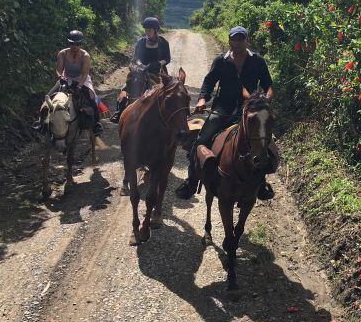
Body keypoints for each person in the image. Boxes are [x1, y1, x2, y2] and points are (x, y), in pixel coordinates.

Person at [175, 25, 275, 200]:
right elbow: (208, 82)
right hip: (223, 108)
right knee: (200, 140)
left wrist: (266, 98)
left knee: (265, 143)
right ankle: (191, 181)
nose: (237, 43)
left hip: (249, 110)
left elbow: (268, 84)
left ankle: (261, 183)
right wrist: (201, 99)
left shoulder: (257, 60)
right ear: (229, 41)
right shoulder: (221, 60)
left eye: (240, 39)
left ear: (246, 41)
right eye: (234, 39)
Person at [34, 30, 102, 135]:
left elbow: (84, 74)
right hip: (66, 78)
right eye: (72, 43)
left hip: (81, 79)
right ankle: (41, 122)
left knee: (91, 98)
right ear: (68, 43)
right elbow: (59, 69)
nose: (74, 46)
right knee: (49, 96)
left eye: (77, 44)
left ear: (81, 44)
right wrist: (60, 76)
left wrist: (79, 86)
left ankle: (96, 123)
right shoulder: (62, 53)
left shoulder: (85, 56)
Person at [110, 17, 170, 124]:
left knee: (167, 93)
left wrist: (156, 64)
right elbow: (136, 58)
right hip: (141, 71)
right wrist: (141, 65)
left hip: (158, 72)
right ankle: (119, 111)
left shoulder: (163, 43)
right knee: (124, 89)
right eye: (146, 30)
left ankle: (167, 115)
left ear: (155, 30)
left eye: (150, 30)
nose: (147, 32)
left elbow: (167, 59)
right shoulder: (141, 42)